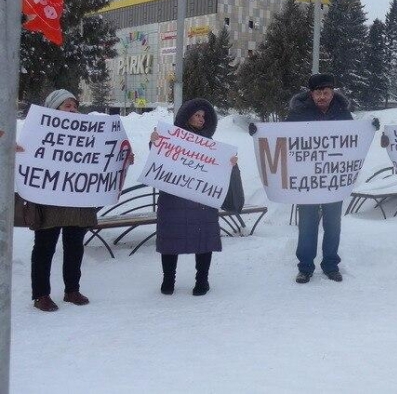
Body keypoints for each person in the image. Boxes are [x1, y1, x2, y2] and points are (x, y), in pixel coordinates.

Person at [28, 90, 132, 312]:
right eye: (67, 106)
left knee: (74, 246)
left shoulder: (89, 135)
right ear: (53, 109)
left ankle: (72, 290)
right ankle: (41, 294)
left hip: (78, 200)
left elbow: (103, 156)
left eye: (74, 105)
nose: (73, 110)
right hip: (50, 200)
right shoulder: (38, 132)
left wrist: (122, 158)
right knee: (45, 247)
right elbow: (27, 157)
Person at [153, 98, 240, 296]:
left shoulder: (210, 145)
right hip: (175, 199)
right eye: (197, 115)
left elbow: (217, 169)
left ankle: (202, 280)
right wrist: (155, 141)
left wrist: (230, 163)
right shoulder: (171, 139)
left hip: (201, 200)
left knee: (203, 239)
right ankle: (168, 281)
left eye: (203, 116)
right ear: (186, 117)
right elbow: (157, 156)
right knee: (171, 239)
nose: (201, 119)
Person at [286, 73, 354, 284]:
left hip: (333, 179)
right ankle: (305, 267)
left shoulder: (343, 113)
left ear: (333, 92)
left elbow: (354, 141)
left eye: (326, 92)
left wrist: (371, 128)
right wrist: (258, 132)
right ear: (311, 93)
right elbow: (280, 137)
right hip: (307, 180)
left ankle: (331, 265)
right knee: (307, 224)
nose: (322, 96)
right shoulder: (298, 113)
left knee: (333, 224)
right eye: (318, 93)